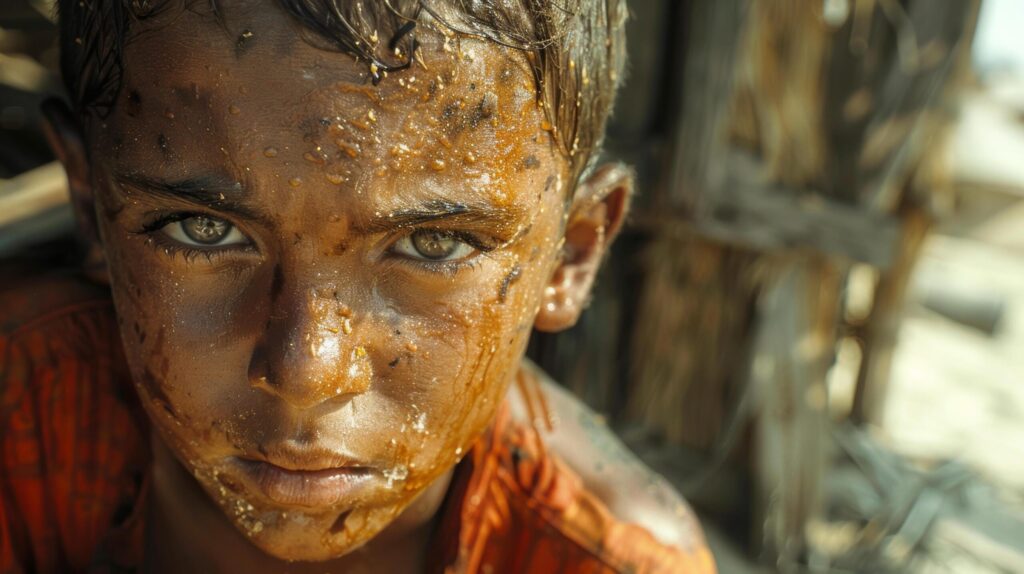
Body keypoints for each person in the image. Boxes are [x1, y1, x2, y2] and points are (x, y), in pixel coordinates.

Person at [0, 0, 717, 572]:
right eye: (204, 230)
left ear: (570, 256)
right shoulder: (21, 423)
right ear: (92, 205)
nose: (306, 369)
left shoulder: (598, 558)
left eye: (432, 244)